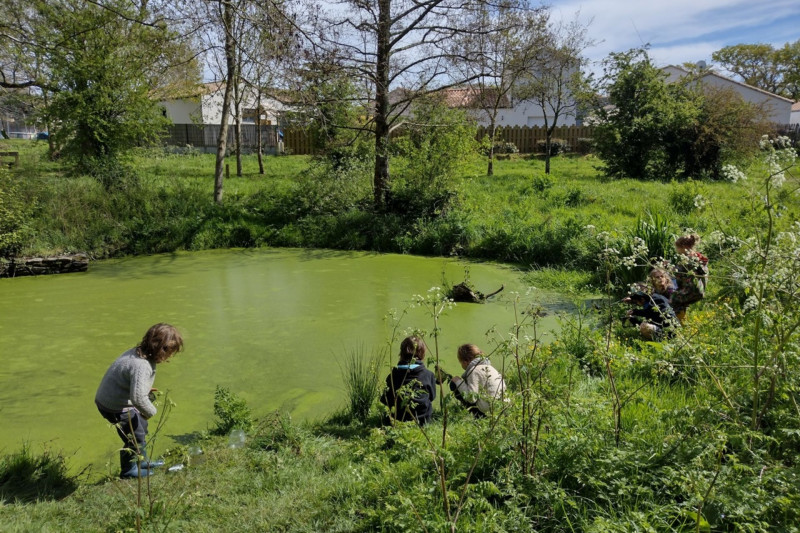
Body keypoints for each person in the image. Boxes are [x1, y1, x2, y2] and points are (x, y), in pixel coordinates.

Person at [95, 323, 184, 478]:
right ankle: (128, 471)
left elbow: (129, 381)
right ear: (160, 348)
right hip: (114, 406)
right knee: (134, 437)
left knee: (140, 428)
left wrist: (144, 391)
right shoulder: (142, 365)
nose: (170, 356)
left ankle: (141, 461)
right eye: (170, 351)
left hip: (116, 398)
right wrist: (151, 411)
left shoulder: (138, 353)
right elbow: (138, 398)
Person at [435, 344, 506, 418]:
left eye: (460, 362)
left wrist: (458, 381)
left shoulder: (474, 371)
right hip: (502, 405)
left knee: (454, 384)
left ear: (465, 362)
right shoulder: (489, 367)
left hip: (489, 408)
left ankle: (479, 416)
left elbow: (471, 398)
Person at [379, 336, 437, 425]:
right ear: (422, 354)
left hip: (395, 420)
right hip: (421, 420)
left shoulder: (392, 376)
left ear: (401, 354)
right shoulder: (428, 375)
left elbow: (384, 400)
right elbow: (432, 397)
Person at [671, 234, 709, 323]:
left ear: (684, 247)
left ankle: (678, 324)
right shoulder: (698, 257)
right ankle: (682, 322)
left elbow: (678, 274)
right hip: (700, 289)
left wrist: (670, 269)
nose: (677, 250)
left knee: (672, 299)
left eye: (677, 248)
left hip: (691, 290)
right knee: (679, 301)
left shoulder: (688, 260)